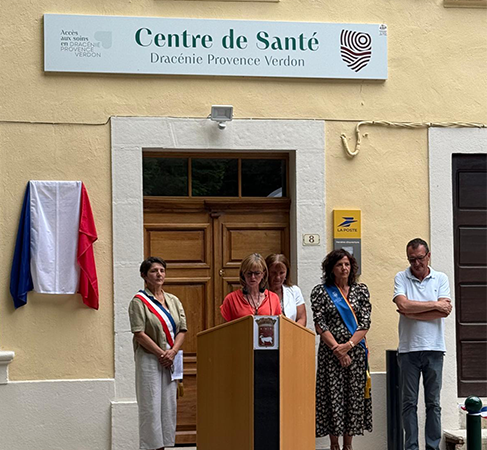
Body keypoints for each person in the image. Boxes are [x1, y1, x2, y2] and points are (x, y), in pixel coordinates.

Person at [393, 238, 452, 450]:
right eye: (412, 259)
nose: (416, 263)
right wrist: (434, 305)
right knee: (409, 403)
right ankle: (411, 447)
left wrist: (412, 312)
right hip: (408, 350)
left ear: (428, 256)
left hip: (435, 349)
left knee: (433, 404)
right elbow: (402, 304)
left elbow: (444, 312)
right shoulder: (401, 277)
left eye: (420, 258)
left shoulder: (441, 278)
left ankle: (432, 447)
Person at [311, 249, 372, 450]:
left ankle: (348, 445)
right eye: (339, 265)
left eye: (347, 264)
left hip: (355, 353)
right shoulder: (321, 292)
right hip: (330, 354)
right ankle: (334, 444)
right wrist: (337, 349)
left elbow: (365, 323)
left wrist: (348, 346)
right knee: (332, 397)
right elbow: (320, 324)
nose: (344, 268)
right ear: (331, 268)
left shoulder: (361, 291)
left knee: (352, 398)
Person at [128, 257, 187, 450]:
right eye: (154, 271)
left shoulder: (173, 300)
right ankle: (151, 447)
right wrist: (162, 354)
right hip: (149, 359)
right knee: (151, 405)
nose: (159, 274)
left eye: (162, 270)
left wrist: (173, 352)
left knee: (168, 405)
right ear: (144, 275)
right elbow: (139, 333)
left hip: (171, 358)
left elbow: (182, 329)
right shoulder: (139, 302)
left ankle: (166, 445)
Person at [220, 253, 282, 321]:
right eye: (249, 273)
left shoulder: (273, 298)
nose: (252, 277)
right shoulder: (231, 299)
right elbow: (224, 326)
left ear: (263, 274)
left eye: (257, 273)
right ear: (243, 274)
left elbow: (280, 324)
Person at [265, 253, 307, 326]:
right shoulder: (259, 293)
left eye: (281, 273)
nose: (278, 277)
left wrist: (292, 331)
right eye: (274, 273)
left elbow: (301, 318)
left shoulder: (294, 291)